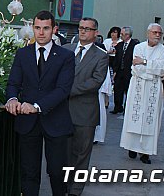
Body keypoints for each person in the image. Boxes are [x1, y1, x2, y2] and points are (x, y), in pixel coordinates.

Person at [5, 10, 75, 196]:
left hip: (56, 122)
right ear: (33, 29)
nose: (41, 32)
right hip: (27, 125)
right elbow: (13, 83)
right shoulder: (22, 54)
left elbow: (62, 90)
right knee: (29, 172)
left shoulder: (66, 56)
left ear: (54, 30)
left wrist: (36, 106)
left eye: (45, 28)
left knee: (57, 173)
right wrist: (12, 99)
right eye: (37, 28)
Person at [62, 18, 109, 196]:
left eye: (87, 29)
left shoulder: (101, 55)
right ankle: (64, 185)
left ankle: (75, 190)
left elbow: (95, 82)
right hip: (63, 111)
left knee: (81, 154)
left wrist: (66, 90)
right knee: (64, 153)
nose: (83, 31)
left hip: (85, 112)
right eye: (81, 28)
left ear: (95, 33)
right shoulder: (67, 49)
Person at [120, 23, 164, 164]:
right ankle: (132, 147)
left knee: (151, 119)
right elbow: (136, 68)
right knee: (134, 116)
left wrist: (145, 62)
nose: (157, 35)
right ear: (148, 33)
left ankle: (145, 152)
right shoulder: (139, 47)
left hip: (154, 88)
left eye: (159, 33)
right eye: (154, 32)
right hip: (138, 86)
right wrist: (152, 70)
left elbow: (163, 69)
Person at [111, 26, 137, 114]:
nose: (120, 36)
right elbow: (116, 59)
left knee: (129, 91)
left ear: (127, 35)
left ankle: (127, 108)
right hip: (119, 71)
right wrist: (114, 71)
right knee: (117, 90)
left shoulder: (135, 45)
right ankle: (117, 107)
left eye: (122, 34)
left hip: (129, 72)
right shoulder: (119, 45)